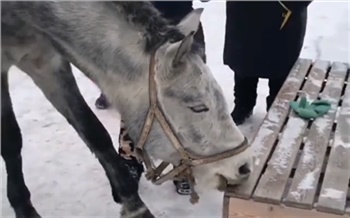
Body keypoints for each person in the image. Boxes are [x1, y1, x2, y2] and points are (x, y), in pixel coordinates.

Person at [98, 1, 207, 195]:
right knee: (133, 99)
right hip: (136, 30)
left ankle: (182, 165)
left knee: (182, 102)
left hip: (180, 27)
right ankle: (130, 159)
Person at [224, 1, 313, 125]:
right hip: (244, 11)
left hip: (282, 11)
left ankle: (277, 109)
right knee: (244, 59)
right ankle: (243, 105)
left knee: (280, 63)